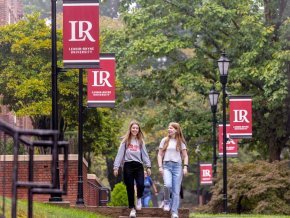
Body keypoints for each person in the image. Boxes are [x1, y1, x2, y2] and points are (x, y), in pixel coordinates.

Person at [113, 120, 152, 218]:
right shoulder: (125, 141)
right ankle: (132, 209)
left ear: (139, 130)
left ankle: (139, 198)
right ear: (130, 129)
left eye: (137, 128)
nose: (135, 129)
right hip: (128, 165)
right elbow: (119, 154)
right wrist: (116, 167)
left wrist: (148, 166)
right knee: (129, 187)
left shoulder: (141, 141)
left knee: (140, 184)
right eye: (133, 128)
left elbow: (145, 155)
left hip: (138, 165)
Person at [157, 122, 189, 218]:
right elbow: (159, 155)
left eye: (171, 128)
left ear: (176, 130)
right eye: (168, 128)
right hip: (166, 165)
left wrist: (185, 167)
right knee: (167, 185)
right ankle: (166, 201)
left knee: (176, 191)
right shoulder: (164, 140)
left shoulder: (181, 142)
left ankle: (174, 212)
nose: (169, 129)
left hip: (177, 167)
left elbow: (185, 156)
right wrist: (160, 167)